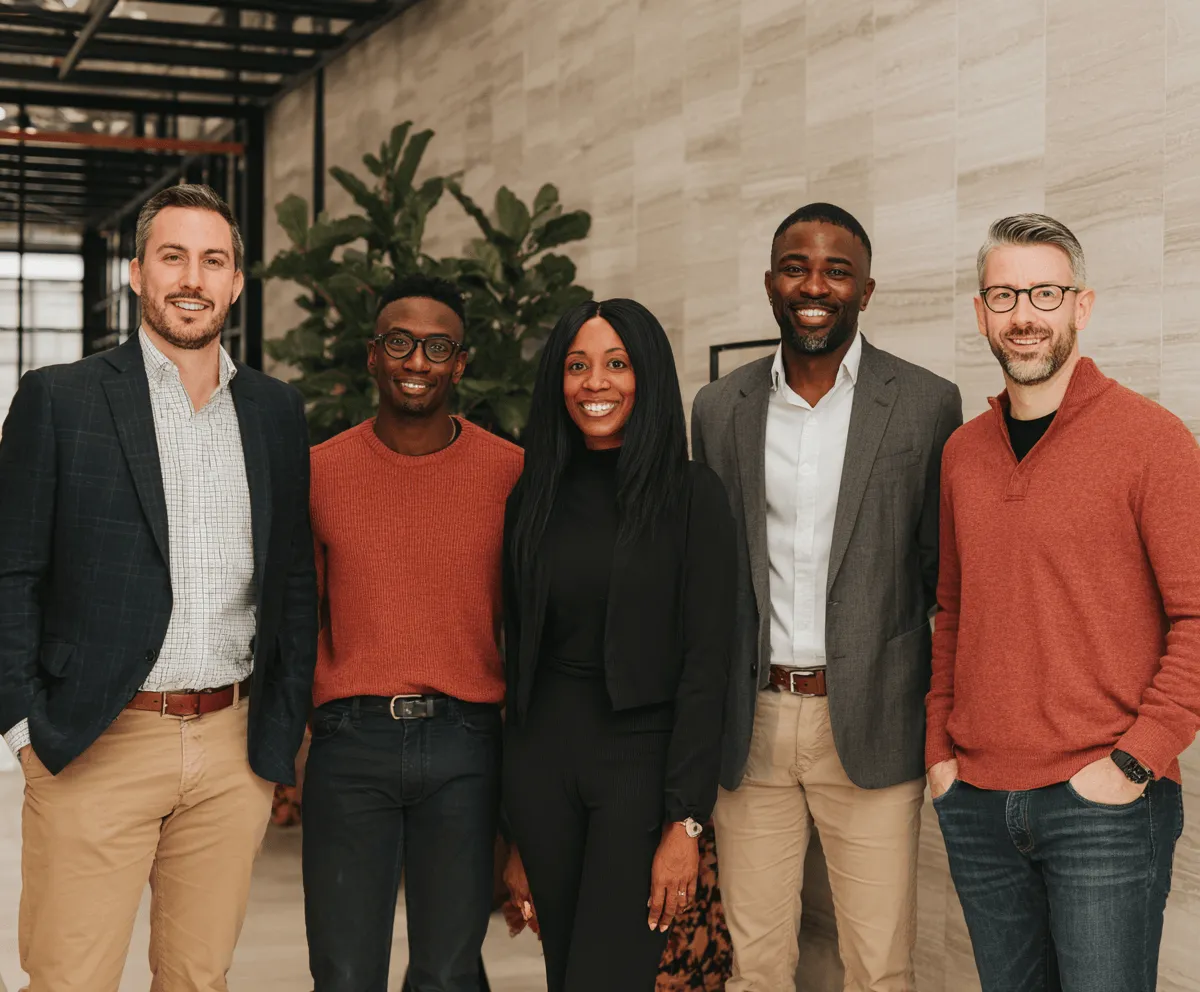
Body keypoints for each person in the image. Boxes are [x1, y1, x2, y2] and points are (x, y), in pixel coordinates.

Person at [0, 183, 317, 991]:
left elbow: (291, 580)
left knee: (197, 980)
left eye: (213, 261)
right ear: (137, 273)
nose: (192, 277)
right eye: (172, 256)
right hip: (95, 741)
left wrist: (274, 738)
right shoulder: (61, 399)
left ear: (237, 282)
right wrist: (24, 734)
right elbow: (11, 571)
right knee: (70, 979)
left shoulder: (277, 411)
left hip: (229, 747)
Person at [691, 202, 963, 992]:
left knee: (880, 969)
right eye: (797, 267)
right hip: (754, 725)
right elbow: (709, 571)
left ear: (866, 290)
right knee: (758, 966)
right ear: (771, 284)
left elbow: (935, 572)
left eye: (837, 270)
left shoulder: (925, 404)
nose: (816, 284)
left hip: (875, 718)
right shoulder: (718, 409)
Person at [926, 213, 1200, 992]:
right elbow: (952, 611)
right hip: (976, 800)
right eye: (1004, 294)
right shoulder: (962, 455)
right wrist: (938, 753)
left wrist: (1133, 762)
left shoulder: (1152, 439)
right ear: (981, 312)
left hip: (1104, 808)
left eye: (1044, 292)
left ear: (1081, 305)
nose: (1024, 314)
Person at [500, 298, 736, 992]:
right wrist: (514, 832)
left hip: (639, 771)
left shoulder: (693, 497)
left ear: (648, 376)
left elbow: (706, 665)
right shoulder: (533, 496)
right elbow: (520, 661)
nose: (594, 383)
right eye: (577, 366)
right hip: (544, 771)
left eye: (616, 364)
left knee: (608, 979)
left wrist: (685, 822)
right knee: (564, 973)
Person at [303, 274, 523, 992]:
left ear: (461, 362)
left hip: (467, 744)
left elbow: (527, 626)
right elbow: (298, 617)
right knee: (342, 972)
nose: (417, 361)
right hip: (350, 741)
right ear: (373, 355)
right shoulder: (321, 471)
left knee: (450, 971)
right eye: (400, 342)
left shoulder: (509, 473)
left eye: (437, 346)